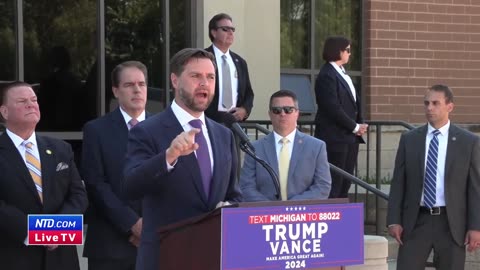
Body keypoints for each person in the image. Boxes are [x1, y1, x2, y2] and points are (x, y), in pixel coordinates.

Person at [123, 48, 242, 270]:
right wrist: (168, 157)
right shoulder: (147, 131)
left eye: (210, 77)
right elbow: (131, 186)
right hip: (166, 257)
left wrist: (230, 207)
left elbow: (233, 193)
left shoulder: (224, 134)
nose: (204, 83)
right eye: (196, 76)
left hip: (213, 258)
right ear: (175, 80)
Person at [387, 84, 480, 269]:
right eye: (426, 103)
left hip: (452, 223)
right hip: (416, 221)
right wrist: (393, 220)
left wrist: (475, 227)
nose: (429, 108)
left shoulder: (468, 142)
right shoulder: (410, 139)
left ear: (449, 107)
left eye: (436, 103)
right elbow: (398, 183)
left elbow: (475, 188)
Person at [0, 81, 88, 270]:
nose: (31, 104)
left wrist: (57, 231)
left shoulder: (61, 149)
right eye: (22, 101)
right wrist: (38, 233)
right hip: (13, 257)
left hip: (62, 259)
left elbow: (78, 195)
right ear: (4, 112)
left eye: (34, 100)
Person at [81, 61, 149, 270]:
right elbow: (95, 183)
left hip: (156, 241)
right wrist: (132, 224)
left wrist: (150, 226)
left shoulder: (166, 128)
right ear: (115, 91)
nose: (137, 90)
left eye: (142, 84)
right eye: (129, 85)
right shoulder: (96, 130)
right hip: (110, 244)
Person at [240, 90, 331, 201]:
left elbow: (322, 186)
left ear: (297, 113)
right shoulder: (255, 149)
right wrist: (272, 209)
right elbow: (246, 187)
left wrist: (289, 209)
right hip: (265, 215)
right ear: (270, 114)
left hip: (303, 214)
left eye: (288, 110)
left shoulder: (316, 147)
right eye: (276, 110)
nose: (282, 114)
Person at [314, 36, 368, 199]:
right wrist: (354, 126)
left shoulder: (343, 73)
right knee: (334, 183)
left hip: (349, 137)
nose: (350, 54)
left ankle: (342, 217)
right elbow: (332, 107)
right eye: (348, 50)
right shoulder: (327, 75)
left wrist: (361, 123)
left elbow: (354, 102)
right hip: (335, 137)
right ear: (338, 51)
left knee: (345, 181)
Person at [205, 13, 254, 125]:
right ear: (214, 32)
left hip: (234, 123)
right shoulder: (203, 58)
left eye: (232, 29)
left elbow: (248, 93)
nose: (231, 32)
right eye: (225, 29)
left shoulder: (240, 62)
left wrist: (245, 110)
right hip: (209, 121)